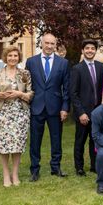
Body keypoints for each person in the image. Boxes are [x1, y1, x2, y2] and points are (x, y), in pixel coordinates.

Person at [25, 33, 70, 181]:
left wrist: (65, 108)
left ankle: (56, 167)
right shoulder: (31, 62)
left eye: (52, 44)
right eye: (47, 43)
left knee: (56, 139)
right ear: (41, 43)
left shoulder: (63, 63)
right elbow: (27, 85)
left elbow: (67, 88)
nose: (49, 46)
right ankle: (34, 170)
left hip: (55, 107)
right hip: (36, 107)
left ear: (55, 45)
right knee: (35, 140)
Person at [0, 45, 34, 187]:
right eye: (10, 56)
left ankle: (15, 174)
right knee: (3, 144)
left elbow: (30, 94)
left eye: (15, 56)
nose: (13, 58)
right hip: (3, 113)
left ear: (19, 58)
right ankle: (6, 175)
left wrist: (20, 94)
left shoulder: (25, 74)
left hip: (20, 113)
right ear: (5, 57)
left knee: (17, 144)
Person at [70, 39, 103, 176]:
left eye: (92, 48)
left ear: (95, 50)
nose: (90, 50)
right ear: (82, 51)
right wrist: (80, 113)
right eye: (87, 48)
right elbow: (73, 93)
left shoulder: (101, 67)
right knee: (80, 140)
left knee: (95, 140)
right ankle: (79, 167)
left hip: (98, 111)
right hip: (83, 113)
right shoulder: (76, 69)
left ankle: (94, 165)